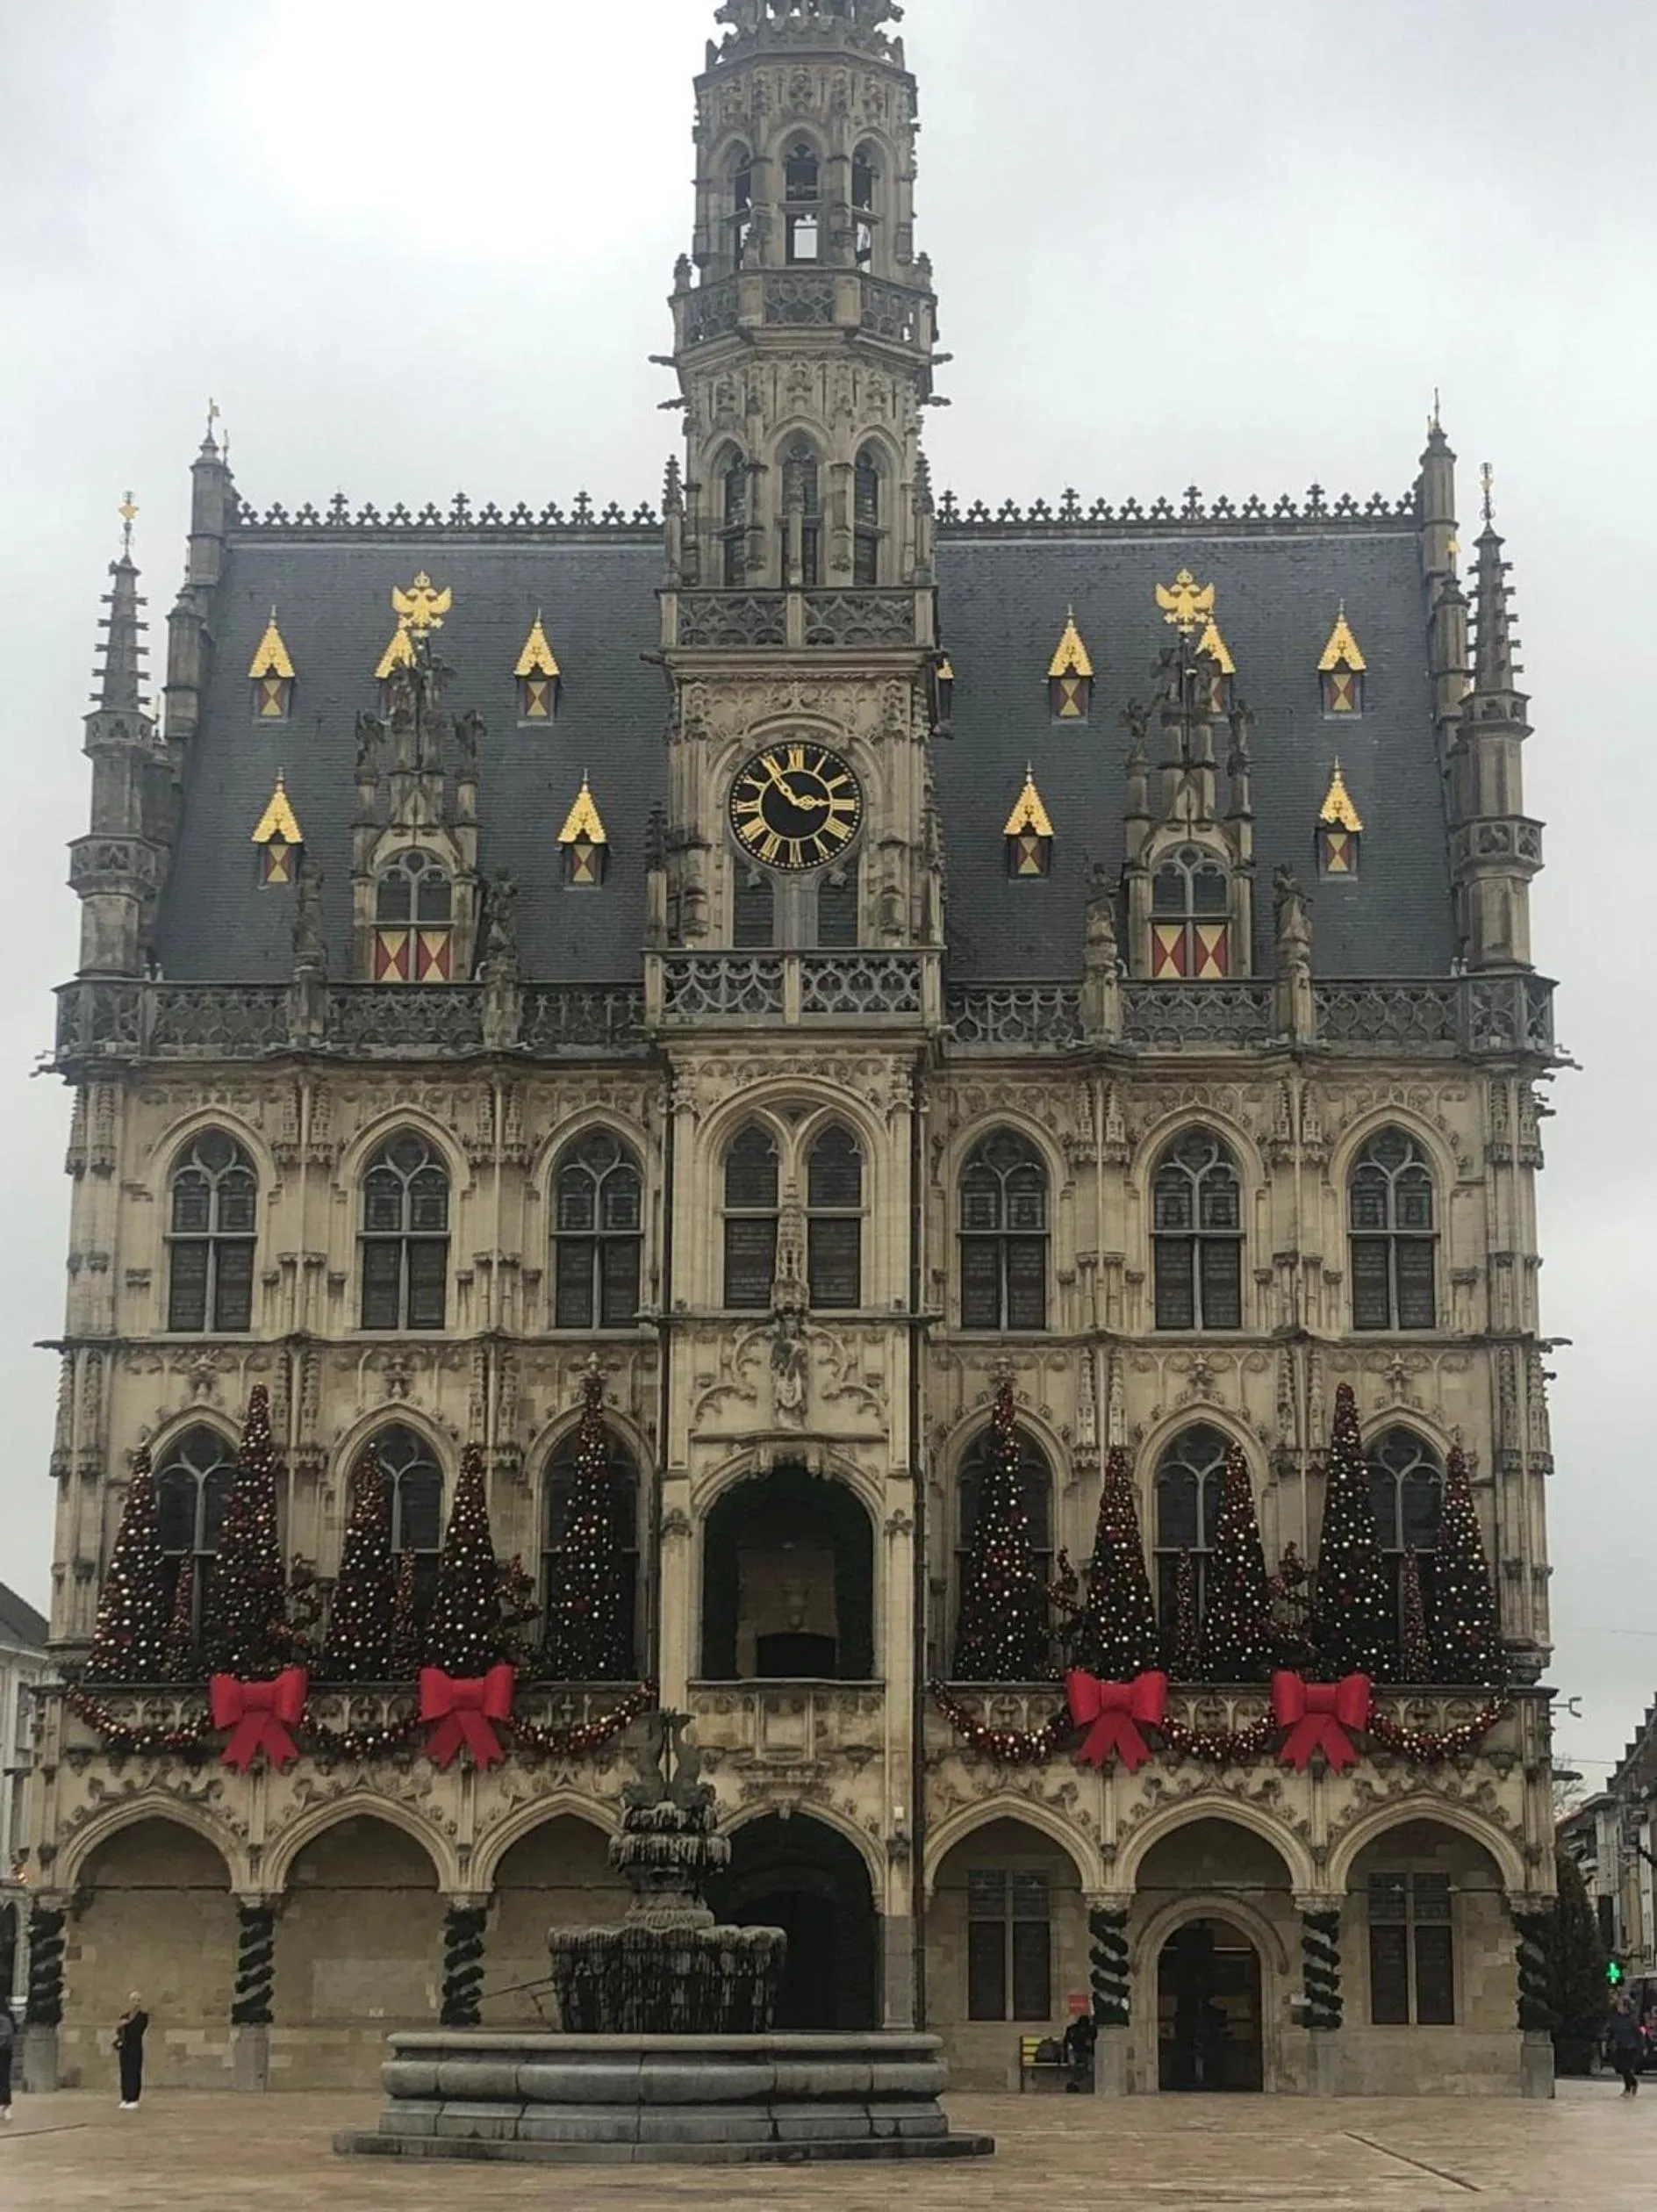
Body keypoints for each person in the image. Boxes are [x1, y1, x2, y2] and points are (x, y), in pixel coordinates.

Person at [114, 1993, 148, 2109]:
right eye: (133, 2000)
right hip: (125, 2048)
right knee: (125, 2072)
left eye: (138, 2000)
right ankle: (125, 2097)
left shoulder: (143, 2017)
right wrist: (119, 2026)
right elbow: (119, 2031)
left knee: (134, 2072)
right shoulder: (124, 2016)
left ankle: (134, 2098)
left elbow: (137, 2031)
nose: (136, 2003)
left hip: (135, 2048)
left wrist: (127, 2024)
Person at [1606, 1994, 1642, 2096]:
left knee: (1626, 2068)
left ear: (1626, 2007)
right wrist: (1608, 2042)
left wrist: (1641, 2046)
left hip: (1631, 2047)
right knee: (1621, 2068)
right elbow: (1611, 2031)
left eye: (1621, 2005)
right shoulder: (1615, 2019)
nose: (1619, 2007)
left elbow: (1638, 2033)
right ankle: (1633, 2082)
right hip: (1620, 2046)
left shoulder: (1632, 2020)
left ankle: (1628, 2088)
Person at [1061, 2009, 1096, 2094]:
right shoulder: (1072, 2029)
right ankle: (1076, 2084)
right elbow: (1066, 2042)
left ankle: (1079, 2084)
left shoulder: (1091, 2030)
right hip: (1076, 2051)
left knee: (1089, 2067)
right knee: (1074, 2065)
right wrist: (1065, 2056)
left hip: (1087, 2053)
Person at [0, 1997, 16, 2122]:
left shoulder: (4, 2020)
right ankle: (5, 2107)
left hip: (3, 2053)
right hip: (5, 2052)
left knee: (3, 2080)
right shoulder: (7, 2019)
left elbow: (6, 2037)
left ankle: (5, 2106)